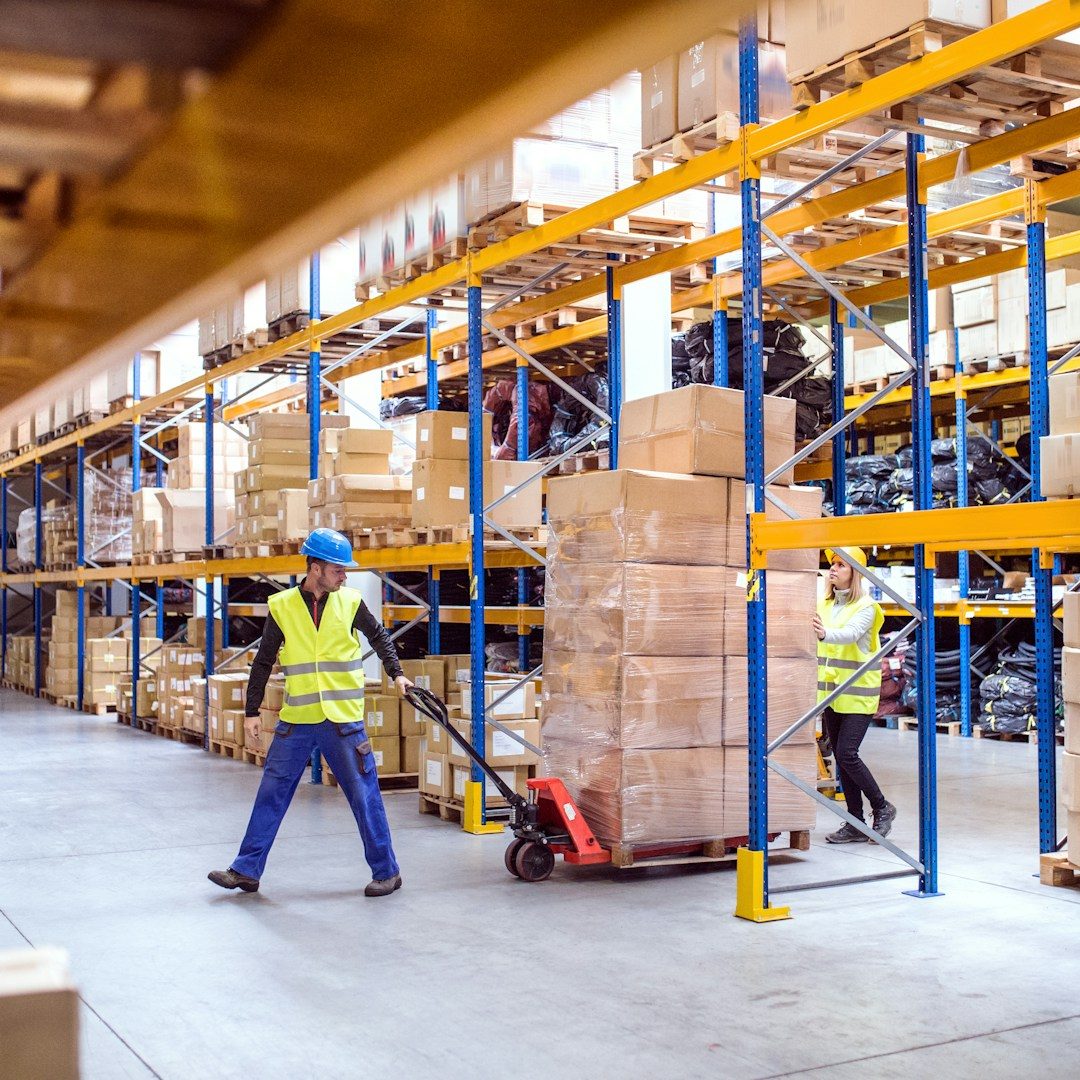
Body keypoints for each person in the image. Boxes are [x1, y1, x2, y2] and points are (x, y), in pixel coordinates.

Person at [208, 528, 413, 897]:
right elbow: (264, 660)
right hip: (298, 720)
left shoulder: (350, 602)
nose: (345, 576)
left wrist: (397, 675)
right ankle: (246, 870)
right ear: (316, 567)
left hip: (342, 720)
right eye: (338, 569)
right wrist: (251, 711)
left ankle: (387, 871)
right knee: (271, 792)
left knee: (364, 796)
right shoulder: (283, 606)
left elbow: (380, 637)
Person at [814, 546, 896, 844]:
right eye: (832, 564)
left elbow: (848, 634)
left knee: (848, 752)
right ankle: (855, 822)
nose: (833, 569)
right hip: (831, 694)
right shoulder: (824, 604)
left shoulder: (867, 608)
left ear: (855, 573)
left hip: (858, 694)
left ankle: (882, 806)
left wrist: (823, 634)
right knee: (840, 756)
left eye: (841, 565)